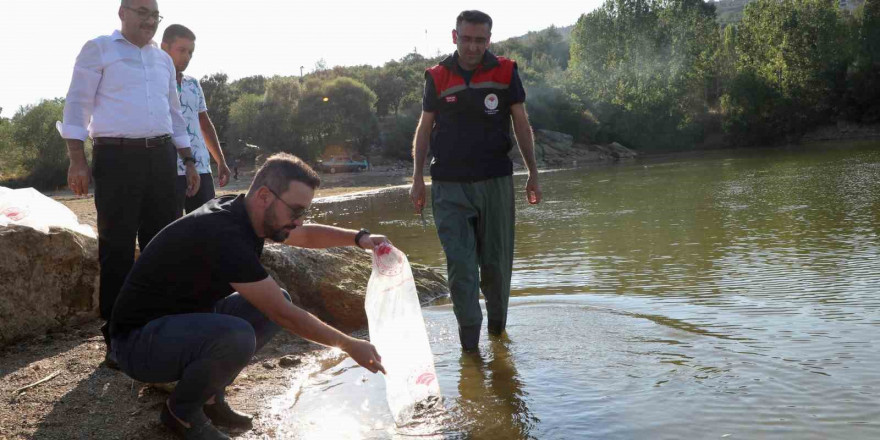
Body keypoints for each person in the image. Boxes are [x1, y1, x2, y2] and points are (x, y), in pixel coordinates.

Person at [109, 153, 386, 440]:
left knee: (270, 304)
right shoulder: (225, 234)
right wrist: (349, 344)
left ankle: (209, 398)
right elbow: (284, 315)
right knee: (238, 334)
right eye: (296, 211)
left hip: (178, 322)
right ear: (265, 196)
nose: (299, 221)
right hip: (137, 344)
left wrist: (358, 238)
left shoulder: (247, 214)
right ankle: (181, 413)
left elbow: (304, 237)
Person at [57, 0, 200, 362]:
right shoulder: (99, 49)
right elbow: (77, 104)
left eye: (154, 15)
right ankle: (117, 339)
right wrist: (77, 159)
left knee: (162, 245)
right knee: (117, 248)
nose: (149, 20)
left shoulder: (162, 60)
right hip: (116, 158)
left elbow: (174, 112)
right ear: (122, 12)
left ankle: (159, 327)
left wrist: (188, 160)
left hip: (162, 157)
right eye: (141, 11)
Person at [410, 10, 542, 352]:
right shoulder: (437, 76)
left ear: (489, 40)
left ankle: (499, 342)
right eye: (466, 39)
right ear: (455, 37)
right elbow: (424, 129)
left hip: (495, 181)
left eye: (480, 40)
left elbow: (521, 124)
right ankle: (470, 350)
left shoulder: (505, 71)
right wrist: (417, 179)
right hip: (448, 185)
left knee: (496, 268)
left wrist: (533, 173)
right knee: (461, 267)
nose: (472, 47)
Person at [161, 24, 232, 215]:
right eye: (182, 50)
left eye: (191, 52)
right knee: (168, 230)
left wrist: (220, 161)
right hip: (167, 170)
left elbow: (205, 124)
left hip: (201, 167)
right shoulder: (153, 83)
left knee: (206, 228)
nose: (187, 57)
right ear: (164, 47)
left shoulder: (193, 84)